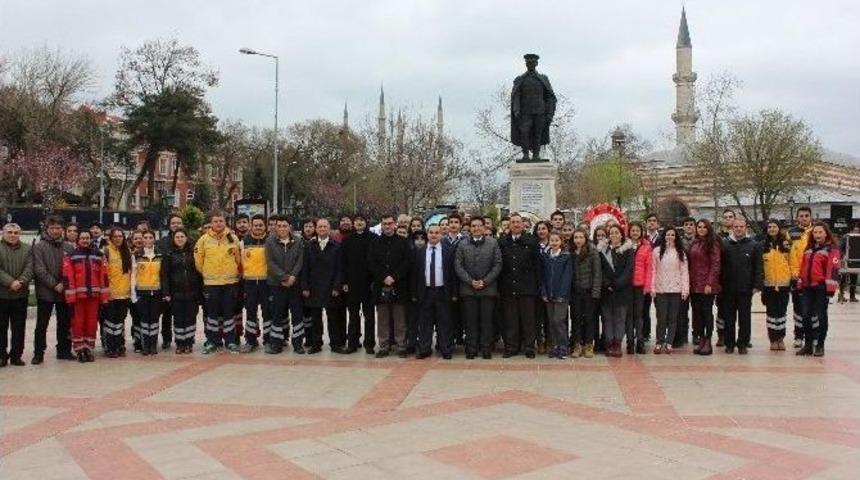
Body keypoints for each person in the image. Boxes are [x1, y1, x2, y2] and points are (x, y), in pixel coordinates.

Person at [455, 216, 502, 359]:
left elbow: (498, 264)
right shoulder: (462, 244)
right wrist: (470, 281)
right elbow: (458, 265)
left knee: (486, 321)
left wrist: (485, 281)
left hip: (488, 289)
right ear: (470, 228)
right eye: (473, 226)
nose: (476, 228)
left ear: (484, 228)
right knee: (470, 321)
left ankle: (486, 348)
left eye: (479, 226)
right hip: (468, 290)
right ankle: (471, 348)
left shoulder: (493, 243)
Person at [194, 211, 242, 354]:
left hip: (230, 282)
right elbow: (198, 261)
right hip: (211, 283)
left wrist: (234, 273)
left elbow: (238, 259)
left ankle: (230, 341)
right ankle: (212, 341)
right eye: (215, 221)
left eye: (221, 221)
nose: (218, 224)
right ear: (211, 223)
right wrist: (208, 274)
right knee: (212, 314)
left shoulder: (233, 238)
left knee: (229, 313)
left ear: (225, 222)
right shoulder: (203, 240)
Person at [62, 231, 109, 362]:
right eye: (82, 238)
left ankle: (89, 348)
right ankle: (79, 349)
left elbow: (103, 276)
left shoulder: (99, 255)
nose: (85, 240)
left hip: (94, 296)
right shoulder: (71, 256)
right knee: (77, 323)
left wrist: (104, 296)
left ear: (91, 239)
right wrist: (70, 295)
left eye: (87, 238)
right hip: (77, 297)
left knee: (92, 323)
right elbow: (67, 276)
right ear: (78, 239)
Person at [32, 215, 74, 364]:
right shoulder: (39, 247)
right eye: (52, 228)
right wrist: (54, 285)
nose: (55, 231)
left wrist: (64, 283)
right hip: (45, 292)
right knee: (42, 325)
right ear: (47, 229)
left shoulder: (69, 247)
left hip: (64, 292)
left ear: (62, 230)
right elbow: (39, 269)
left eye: (58, 228)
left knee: (64, 323)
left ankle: (64, 350)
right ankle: (38, 353)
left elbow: (72, 269)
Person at [498, 213, 541, 358]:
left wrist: (537, 286)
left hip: (527, 287)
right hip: (508, 286)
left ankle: (529, 347)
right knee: (511, 320)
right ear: (509, 225)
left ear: (523, 225)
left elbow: (537, 266)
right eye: (513, 222)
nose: (516, 225)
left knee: (528, 319)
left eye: (518, 222)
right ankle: (511, 347)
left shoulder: (532, 241)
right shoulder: (502, 241)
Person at [411, 224, 456, 359]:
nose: (434, 235)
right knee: (425, 322)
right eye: (431, 232)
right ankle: (424, 348)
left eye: (437, 232)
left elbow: (452, 274)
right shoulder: (419, 251)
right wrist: (414, 293)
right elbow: (415, 274)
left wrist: (454, 293)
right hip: (425, 292)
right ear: (427, 234)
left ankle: (445, 348)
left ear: (441, 234)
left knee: (444, 321)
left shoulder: (449, 250)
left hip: (443, 291)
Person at [368, 214, 411, 357]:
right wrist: (384, 277)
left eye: (390, 223)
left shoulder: (403, 242)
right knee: (383, 319)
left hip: (399, 285)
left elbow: (407, 262)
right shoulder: (375, 242)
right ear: (382, 225)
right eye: (385, 223)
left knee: (400, 319)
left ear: (395, 225)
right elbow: (372, 262)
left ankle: (401, 346)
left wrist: (394, 277)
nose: (387, 226)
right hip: (381, 286)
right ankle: (384, 346)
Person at [720, 217, 763, 355]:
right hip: (727, 288)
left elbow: (758, 267)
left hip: (745, 288)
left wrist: (757, 284)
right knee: (729, 318)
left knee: (744, 318)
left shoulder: (754, 245)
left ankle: (743, 343)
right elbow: (719, 266)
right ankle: (729, 343)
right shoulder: (724, 244)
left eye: (741, 226)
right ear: (732, 228)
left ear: (746, 228)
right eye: (736, 227)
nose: (738, 229)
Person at [797, 222, 840, 357]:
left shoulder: (832, 249)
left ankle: (820, 345)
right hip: (807, 287)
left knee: (821, 316)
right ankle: (808, 345)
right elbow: (803, 268)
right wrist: (800, 283)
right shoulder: (808, 249)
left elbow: (833, 270)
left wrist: (830, 289)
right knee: (805, 316)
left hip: (821, 288)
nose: (817, 235)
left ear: (826, 233)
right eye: (815, 232)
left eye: (820, 232)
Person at [302, 218, 343, 354]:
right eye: (319, 227)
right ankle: (316, 344)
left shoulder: (336, 246)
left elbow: (339, 269)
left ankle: (335, 344)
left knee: (333, 318)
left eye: (325, 227)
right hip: (314, 288)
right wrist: (305, 287)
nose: (322, 229)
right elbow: (305, 268)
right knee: (315, 319)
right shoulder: (309, 246)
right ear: (316, 229)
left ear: (329, 229)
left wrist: (337, 287)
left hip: (331, 288)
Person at [265, 216, 305, 354]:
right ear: (275, 227)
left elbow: (300, 261)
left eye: (285, 225)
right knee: (277, 314)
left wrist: (293, 276)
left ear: (290, 227)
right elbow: (270, 263)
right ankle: (276, 344)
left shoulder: (298, 241)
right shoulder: (270, 242)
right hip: (276, 284)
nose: (282, 228)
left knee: (297, 314)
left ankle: (298, 343)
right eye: (279, 226)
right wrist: (284, 277)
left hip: (294, 284)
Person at [160, 228, 202, 354]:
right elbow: (164, 275)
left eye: (182, 236)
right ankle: (180, 343)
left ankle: (189, 342)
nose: (180, 239)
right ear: (173, 239)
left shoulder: (193, 253)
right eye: (177, 237)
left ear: (186, 238)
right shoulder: (169, 254)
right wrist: (166, 292)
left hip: (192, 292)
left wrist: (200, 291)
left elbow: (199, 272)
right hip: (175, 293)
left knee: (190, 318)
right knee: (178, 319)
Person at [650, 227, 689, 354]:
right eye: (668, 234)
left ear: (676, 237)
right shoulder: (656, 251)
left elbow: (684, 272)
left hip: (676, 290)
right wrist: (652, 287)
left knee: (673, 318)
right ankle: (659, 342)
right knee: (661, 317)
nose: (670, 237)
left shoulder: (680, 252)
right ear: (664, 236)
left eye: (673, 235)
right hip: (661, 289)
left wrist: (685, 289)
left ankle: (669, 342)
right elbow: (653, 270)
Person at [340, 214, 376, 354]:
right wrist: (344, 282)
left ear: (366, 222)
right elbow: (342, 263)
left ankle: (369, 344)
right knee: (353, 315)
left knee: (369, 316)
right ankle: (353, 343)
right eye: (357, 221)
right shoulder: (347, 240)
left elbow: (376, 262)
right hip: (352, 284)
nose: (359, 223)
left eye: (362, 220)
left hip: (369, 284)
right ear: (353, 224)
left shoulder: (374, 239)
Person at [599, 224, 634, 357]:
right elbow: (601, 269)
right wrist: (607, 283)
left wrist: (618, 283)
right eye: (611, 233)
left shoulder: (628, 250)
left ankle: (617, 343)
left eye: (616, 233)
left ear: (621, 234)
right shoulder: (603, 250)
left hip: (622, 290)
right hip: (607, 290)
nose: (614, 235)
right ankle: (609, 343)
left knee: (620, 318)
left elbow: (629, 269)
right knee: (607, 318)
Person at [0, 223, 33, 367]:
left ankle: (16, 356)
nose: (13, 235)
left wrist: (21, 281)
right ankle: (1, 356)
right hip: (2, 295)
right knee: (1, 328)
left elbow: (30, 267)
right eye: (10, 232)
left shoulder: (27, 249)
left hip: (20, 295)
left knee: (19, 328)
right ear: (3, 233)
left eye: (15, 232)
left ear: (20, 234)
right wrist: (10, 282)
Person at [689, 219, 721, 355]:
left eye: (704, 227)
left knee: (706, 312)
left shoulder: (712, 243)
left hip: (707, 285)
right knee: (697, 313)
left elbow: (715, 265)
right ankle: (701, 339)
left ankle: (708, 340)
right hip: (694, 284)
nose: (701, 229)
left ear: (708, 229)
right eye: (699, 227)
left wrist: (709, 283)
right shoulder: (695, 243)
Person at [540, 232, 573, 359]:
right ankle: (555, 345)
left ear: (561, 242)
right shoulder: (546, 257)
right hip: (548, 294)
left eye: (556, 240)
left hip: (561, 295)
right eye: (552, 240)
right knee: (551, 321)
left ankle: (563, 345)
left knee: (558, 320)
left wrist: (562, 294)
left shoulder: (566, 257)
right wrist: (544, 292)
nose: (554, 242)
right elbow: (543, 276)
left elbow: (567, 276)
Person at [240, 215, 270, 352]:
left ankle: (269, 340)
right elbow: (238, 262)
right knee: (251, 312)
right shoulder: (243, 242)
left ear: (265, 226)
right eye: (255, 225)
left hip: (267, 282)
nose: (258, 227)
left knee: (268, 312)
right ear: (251, 226)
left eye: (260, 225)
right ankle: (250, 340)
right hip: (250, 283)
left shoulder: (271, 241)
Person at [570, 228, 601, 358]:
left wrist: (595, 292)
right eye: (576, 237)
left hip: (589, 291)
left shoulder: (593, 252)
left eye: (581, 237)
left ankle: (589, 345)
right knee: (576, 319)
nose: (578, 240)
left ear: (585, 238)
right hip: (575, 292)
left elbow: (597, 273)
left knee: (589, 319)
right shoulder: (570, 252)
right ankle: (577, 345)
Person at [761, 219, 792, 351]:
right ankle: (773, 339)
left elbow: (792, 262)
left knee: (781, 313)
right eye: (769, 227)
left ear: (779, 228)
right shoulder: (762, 245)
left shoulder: (786, 244)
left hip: (784, 285)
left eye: (774, 227)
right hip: (768, 286)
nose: (772, 229)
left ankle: (781, 338)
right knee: (771, 313)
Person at [131, 231, 163, 355]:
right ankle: (145, 346)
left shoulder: (160, 255)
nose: (148, 240)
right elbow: (133, 275)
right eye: (145, 237)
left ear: (154, 239)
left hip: (156, 292)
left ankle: (153, 345)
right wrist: (133, 294)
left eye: (151, 237)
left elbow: (163, 275)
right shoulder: (136, 255)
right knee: (144, 320)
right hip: (142, 293)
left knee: (154, 320)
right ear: (142, 240)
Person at [156, 213, 185, 350]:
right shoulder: (162, 242)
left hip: (182, 284)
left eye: (178, 223)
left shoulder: (187, 240)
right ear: (169, 225)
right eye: (173, 223)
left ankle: (182, 338)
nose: (176, 225)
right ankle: (166, 338)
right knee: (166, 314)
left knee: (180, 314)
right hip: (167, 282)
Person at [103, 227, 132, 358]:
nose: (118, 238)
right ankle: (110, 346)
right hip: (111, 294)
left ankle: (119, 345)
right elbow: (103, 273)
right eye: (116, 236)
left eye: (121, 236)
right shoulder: (106, 251)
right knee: (110, 322)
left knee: (120, 322)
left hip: (124, 293)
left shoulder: (127, 252)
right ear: (111, 238)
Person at [788, 206, 814, 348]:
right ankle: (798, 336)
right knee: (798, 309)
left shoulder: (816, 232)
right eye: (801, 216)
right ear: (797, 217)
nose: (804, 218)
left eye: (806, 215)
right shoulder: (791, 233)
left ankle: (813, 336)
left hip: (812, 277)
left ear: (811, 217)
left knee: (812, 309)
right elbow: (788, 255)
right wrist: (793, 274)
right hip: (795, 277)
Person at [627, 221, 652, 354]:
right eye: (632, 230)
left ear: (641, 232)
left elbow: (649, 268)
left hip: (640, 285)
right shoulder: (625, 245)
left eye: (637, 230)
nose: (634, 233)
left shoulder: (647, 247)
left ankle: (640, 341)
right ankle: (630, 341)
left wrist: (647, 286)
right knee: (629, 315)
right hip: (627, 285)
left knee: (639, 314)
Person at [715, 209, 735, 347]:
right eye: (726, 217)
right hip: (721, 278)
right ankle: (721, 334)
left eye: (730, 217)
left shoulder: (741, 234)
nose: (728, 219)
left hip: (737, 278)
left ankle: (735, 335)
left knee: (737, 309)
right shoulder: (718, 237)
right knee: (722, 308)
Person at [128, 230, 145, 352]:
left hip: (146, 289)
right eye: (136, 239)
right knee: (136, 317)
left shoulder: (150, 254)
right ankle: (137, 340)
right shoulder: (128, 256)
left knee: (145, 317)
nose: (138, 241)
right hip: (133, 290)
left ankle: (146, 339)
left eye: (141, 238)